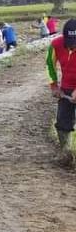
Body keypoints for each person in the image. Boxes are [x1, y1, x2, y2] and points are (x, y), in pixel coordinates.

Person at [47, 19, 76, 166]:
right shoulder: (55, 45)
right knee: (63, 122)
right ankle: (66, 153)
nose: (72, 46)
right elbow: (49, 65)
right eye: (69, 42)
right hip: (66, 88)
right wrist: (54, 86)